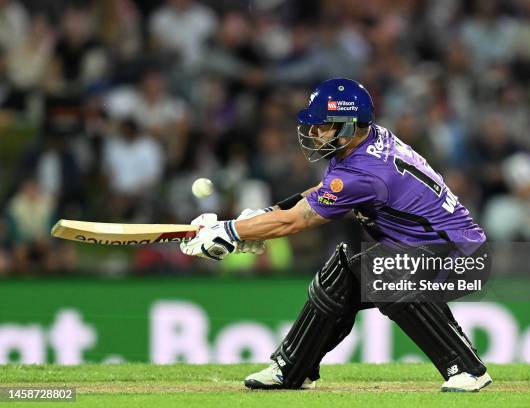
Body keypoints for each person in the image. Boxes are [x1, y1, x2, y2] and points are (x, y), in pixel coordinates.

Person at [180, 78, 492, 392]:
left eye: (322, 126)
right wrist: (265, 215)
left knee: (386, 274)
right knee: (341, 272)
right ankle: (292, 369)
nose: (314, 132)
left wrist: (230, 231)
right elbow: (322, 192)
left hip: (461, 257)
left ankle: (467, 368)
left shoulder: (366, 172)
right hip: (437, 248)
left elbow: (297, 221)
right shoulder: (364, 144)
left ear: (347, 125)